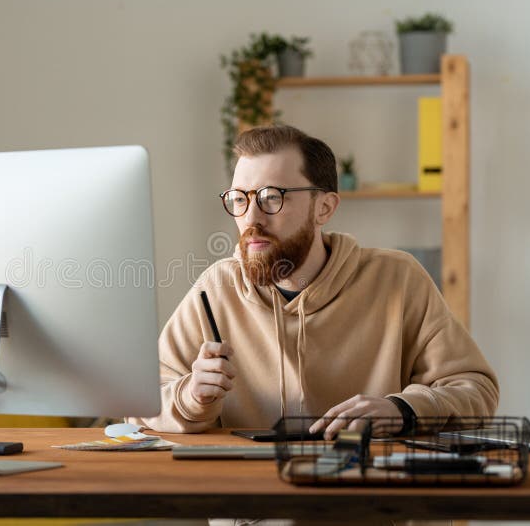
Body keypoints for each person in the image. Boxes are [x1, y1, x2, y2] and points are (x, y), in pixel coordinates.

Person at [129, 124, 498, 438]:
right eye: (239, 199)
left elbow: (476, 390)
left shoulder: (398, 278)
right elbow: (137, 405)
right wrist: (191, 397)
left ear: (324, 207)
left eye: (271, 197)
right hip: (259, 515)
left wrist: (402, 410)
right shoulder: (217, 288)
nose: (251, 217)